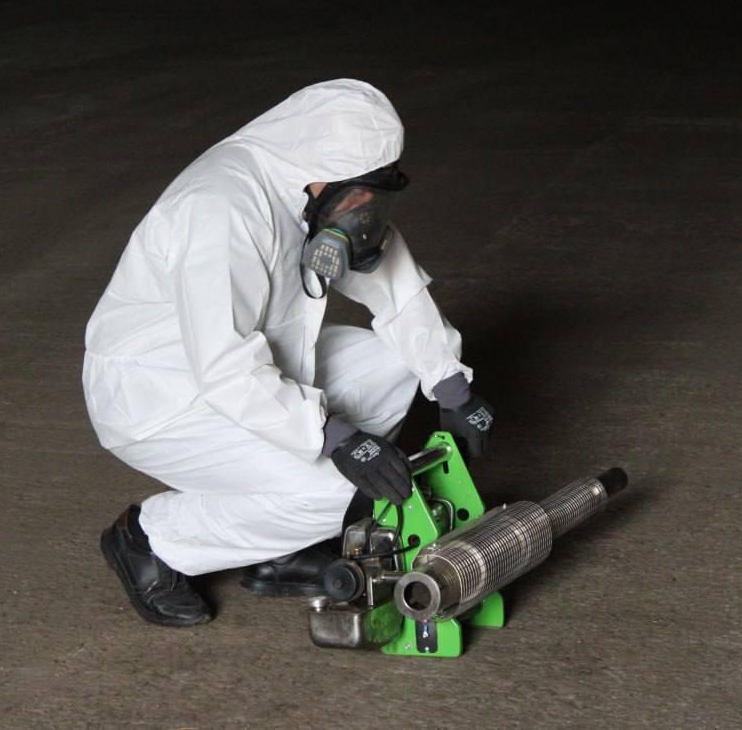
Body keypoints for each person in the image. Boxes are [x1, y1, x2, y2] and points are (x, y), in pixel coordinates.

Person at [83, 79, 495, 626]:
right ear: (313, 166)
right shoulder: (220, 209)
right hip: (160, 395)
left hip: (264, 362)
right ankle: (151, 540)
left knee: (400, 365)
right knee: (340, 493)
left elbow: (396, 290)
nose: (363, 211)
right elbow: (226, 369)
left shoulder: (320, 190)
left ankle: (280, 547)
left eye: (373, 194)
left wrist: (451, 385)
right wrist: (337, 438)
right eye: (355, 195)